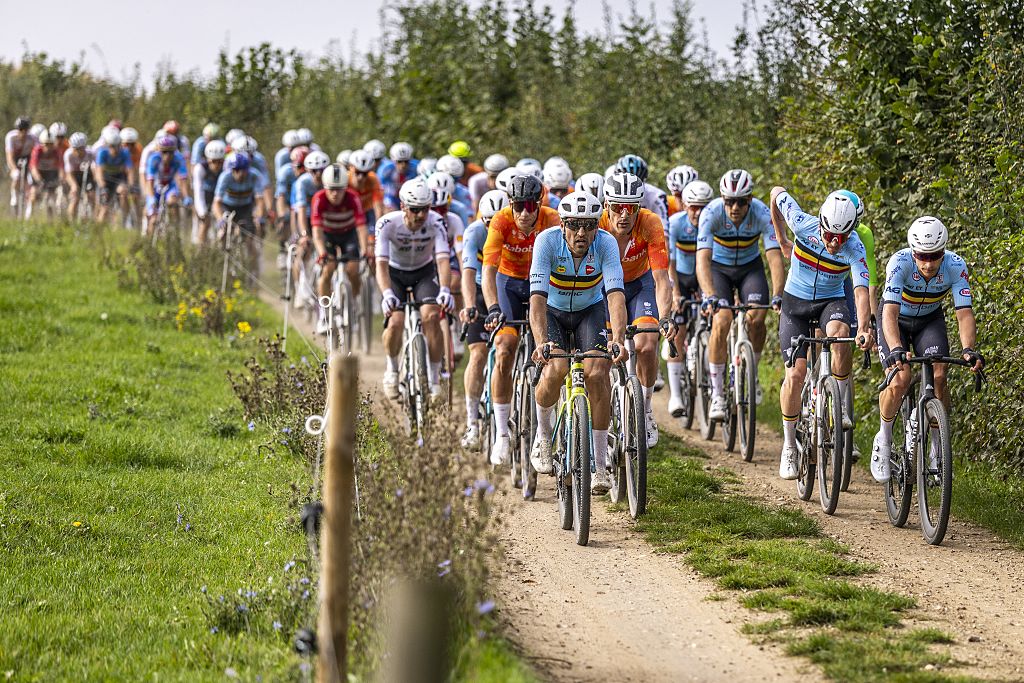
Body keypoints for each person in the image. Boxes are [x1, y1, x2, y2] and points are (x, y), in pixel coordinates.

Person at [528, 191, 629, 494]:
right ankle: (543, 437)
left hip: (589, 311)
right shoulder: (546, 242)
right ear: (562, 225)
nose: (581, 233)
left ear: (598, 226)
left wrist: (618, 339)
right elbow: (537, 299)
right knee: (555, 369)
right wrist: (541, 342)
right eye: (574, 225)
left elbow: (615, 295)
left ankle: (600, 464)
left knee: (597, 373)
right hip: (553, 312)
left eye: (589, 225)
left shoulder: (606, 244)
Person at [769, 187, 873, 479]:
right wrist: (781, 239)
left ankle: (838, 404)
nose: (834, 243)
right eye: (829, 235)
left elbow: (861, 291)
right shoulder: (802, 223)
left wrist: (864, 327)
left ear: (852, 231)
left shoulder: (855, 248)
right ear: (821, 224)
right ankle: (789, 445)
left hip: (830, 301)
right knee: (795, 374)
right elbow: (776, 193)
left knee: (841, 335)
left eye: (841, 237)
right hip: (795, 304)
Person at [870, 216, 982, 482]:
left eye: (935, 256)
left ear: (944, 251)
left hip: (929, 320)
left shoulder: (956, 265)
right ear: (913, 251)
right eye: (922, 256)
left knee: (940, 374)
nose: (929, 264)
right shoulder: (899, 262)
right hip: (896, 319)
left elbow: (964, 314)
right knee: (900, 378)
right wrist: (896, 348)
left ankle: (936, 447)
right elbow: (889, 313)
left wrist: (968, 349)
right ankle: (883, 439)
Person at [481, 174, 562, 465]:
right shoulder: (501, 221)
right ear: (510, 204)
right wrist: (493, 308)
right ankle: (502, 433)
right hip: (510, 284)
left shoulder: (553, 219)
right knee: (504, 348)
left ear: (539, 204)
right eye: (518, 206)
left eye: (530, 206)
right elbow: (488, 271)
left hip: (545, 284)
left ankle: (551, 425)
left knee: (555, 350)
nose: (524, 213)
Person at [697, 169, 785, 420]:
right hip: (719, 270)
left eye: (740, 202)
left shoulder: (762, 213)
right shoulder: (710, 213)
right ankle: (717, 394)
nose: (734, 207)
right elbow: (702, 261)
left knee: (757, 318)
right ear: (722, 199)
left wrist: (778, 294)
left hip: (749, 269)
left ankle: (751, 374)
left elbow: (774, 258)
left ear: (750, 200)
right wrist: (709, 294)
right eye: (729, 201)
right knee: (722, 320)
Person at [599, 172, 675, 447]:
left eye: (630, 207)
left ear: (639, 207)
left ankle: (645, 409)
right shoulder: (596, 225)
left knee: (647, 344)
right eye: (617, 206)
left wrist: (665, 317)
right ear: (606, 205)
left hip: (639, 285)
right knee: (605, 353)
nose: (624, 214)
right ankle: (604, 416)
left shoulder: (650, 223)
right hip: (604, 287)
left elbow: (661, 278)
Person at [376, 178, 454, 398]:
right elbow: (380, 264)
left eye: (425, 209)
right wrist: (387, 294)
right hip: (395, 274)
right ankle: (392, 369)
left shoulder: (436, 222)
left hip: (423, 273)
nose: (421, 215)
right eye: (415, 210)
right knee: (395, 322)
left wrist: (445, 289)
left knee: (432, 316)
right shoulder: (387, 223)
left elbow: (443, 260)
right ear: (403, 206)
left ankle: (435, 378)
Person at [458, 189, 509, 447]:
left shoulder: (515, 230)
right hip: (480, 289)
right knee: (478, 354)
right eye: (489, 222)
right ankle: (472, 424)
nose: (493, 228)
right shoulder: (474, 232)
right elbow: (467, 273)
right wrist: (469, 305)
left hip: (507, 288)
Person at [666, 180, 713, 416]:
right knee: (678, 331)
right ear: (685, 206)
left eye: (703, 207)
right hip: (681, 278)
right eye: (694, 207)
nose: (698, 213)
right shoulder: (675, 223)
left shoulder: (713, 222)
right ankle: (676, 395)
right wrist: (675, 293)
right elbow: (670, 263)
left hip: (705, 277)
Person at [310, 163, 370, 334]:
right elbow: (317, 231)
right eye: (331, 189)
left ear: (345, 188)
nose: (335, 194)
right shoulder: (319, 198)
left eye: (339, 189)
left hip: (348, 234)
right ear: (325, 187)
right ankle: (324, 314)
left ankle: (353, 304)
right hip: (328, 235)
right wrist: (322, 252)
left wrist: (365, 249)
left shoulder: (353, 197)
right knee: (327, 270)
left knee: (353, 270)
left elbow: (361, 227)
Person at [144, 134, 190, 235]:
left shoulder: (179, 158)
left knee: (173, 202)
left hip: (170, 185)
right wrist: (151, 198)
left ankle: (175, 232)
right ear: (159, 151)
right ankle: (149, 239)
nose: (167, 155)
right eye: (164, 152)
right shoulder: (153, 159)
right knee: (153, 219)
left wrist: (186, 196)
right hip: (156, 186)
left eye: (170, 152)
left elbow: (183, 180)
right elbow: (150, 182)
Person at [93, 127, 136, 223]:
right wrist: (102, 186)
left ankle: (123, 220)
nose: (114, 149)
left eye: (117, 146)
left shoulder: (125, 153)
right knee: (104, 208)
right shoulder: (102, 153)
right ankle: (98, 227)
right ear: (107, 145)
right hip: (105, 180)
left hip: (118, 178)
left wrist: (131, 184)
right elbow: (99, 172)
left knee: (123, 192)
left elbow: (130, 171)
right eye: (111, 146)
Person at [616, 154, 668, 232]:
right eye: (626, 185)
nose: (632, 191)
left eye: (636, 185)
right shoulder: (609, 194)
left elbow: (663, 231)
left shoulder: (657, 196)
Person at [192, 140, 226, 244]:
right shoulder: (200, 168)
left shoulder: (227, 168)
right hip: (205, 194)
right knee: (205, 222)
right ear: (208, 160)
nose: (216, 165)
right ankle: (200, 249)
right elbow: (198, 192)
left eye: (220, 162)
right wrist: (202, 212)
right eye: (213, 161)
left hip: (220, 196)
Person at [27, 130, 65, 218]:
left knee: (51, 196)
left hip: (50, 173)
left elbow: (61, 168)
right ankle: (29, 215)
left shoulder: (56, 152)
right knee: (34, 193)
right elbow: (33, 168)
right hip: (38, 173)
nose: (49, 147)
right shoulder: (37, 150)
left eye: (51, 144)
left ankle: (50, 218)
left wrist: (61, 179)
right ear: (42, 144)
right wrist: (39, 180)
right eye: (46, 144)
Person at [6, 116, 37, 210]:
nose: (23, 132)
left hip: (28, 158)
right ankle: (14, 197)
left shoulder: (33, 138)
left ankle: (28, 202)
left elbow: (37, 154)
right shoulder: (11, 137)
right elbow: (9, 156)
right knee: (16, 176)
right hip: (14, 158)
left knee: (30, 180)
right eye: (20, 129)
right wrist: (14, 169)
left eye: (25, 130)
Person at [348, 150, 386, 226]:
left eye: (365, 173)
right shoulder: (345, 180)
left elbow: (378, 207)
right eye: (357, 172)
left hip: (367, 211)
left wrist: (378, 228)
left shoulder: (373, 179)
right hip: (350, 212)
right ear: (350, 167)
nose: (360, 177)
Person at [64, 132, 95, 220]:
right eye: (75, 149)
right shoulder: (68, 154)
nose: (78, 152)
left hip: (88, 175)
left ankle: (92, 219)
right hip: (74, 176)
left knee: (92, 196)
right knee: (75, 198)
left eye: (81, 149)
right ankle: (71, 221)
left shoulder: (91, 153)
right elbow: (69, 174)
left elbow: (95, 170)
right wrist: (74, 186)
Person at [379, 141, 419, 211]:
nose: (403, 165)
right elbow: (381, 190)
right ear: (393, 160)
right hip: (391, 197)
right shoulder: (385, 170)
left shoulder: (417, 167)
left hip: (410, 197)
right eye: (399, 161)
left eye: (406, 161)